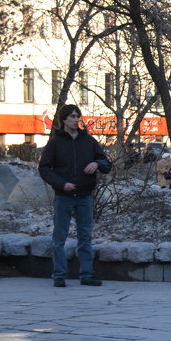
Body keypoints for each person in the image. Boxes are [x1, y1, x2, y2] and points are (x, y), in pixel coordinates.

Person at [38, 103, 111, 287]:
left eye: (77, 116)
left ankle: (87, 275)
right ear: (63, 119)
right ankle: (59, 275)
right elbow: (44, 169)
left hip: (85, 196)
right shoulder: (55, 143)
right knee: (59, 237)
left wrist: (97, 163)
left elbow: (106, 163)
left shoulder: (88, 141)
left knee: (85, 237)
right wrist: (62, 184)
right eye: (71, 116)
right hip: (64, 196)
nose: (75, 119)